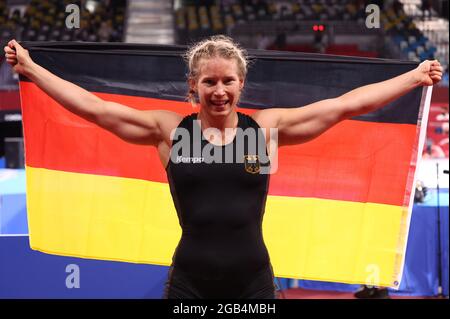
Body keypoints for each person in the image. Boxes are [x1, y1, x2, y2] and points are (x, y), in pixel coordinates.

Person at [4, 35, 442, 299]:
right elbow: (95, 108)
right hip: (189, 283)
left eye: (227, 81)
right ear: (193, 85)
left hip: (252, 282)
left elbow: (346, 105)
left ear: (241, 84)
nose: (218, 90)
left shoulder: (266, 128)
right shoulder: (169, 131)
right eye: (209, 81)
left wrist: (414, 76)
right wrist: (31, 68)